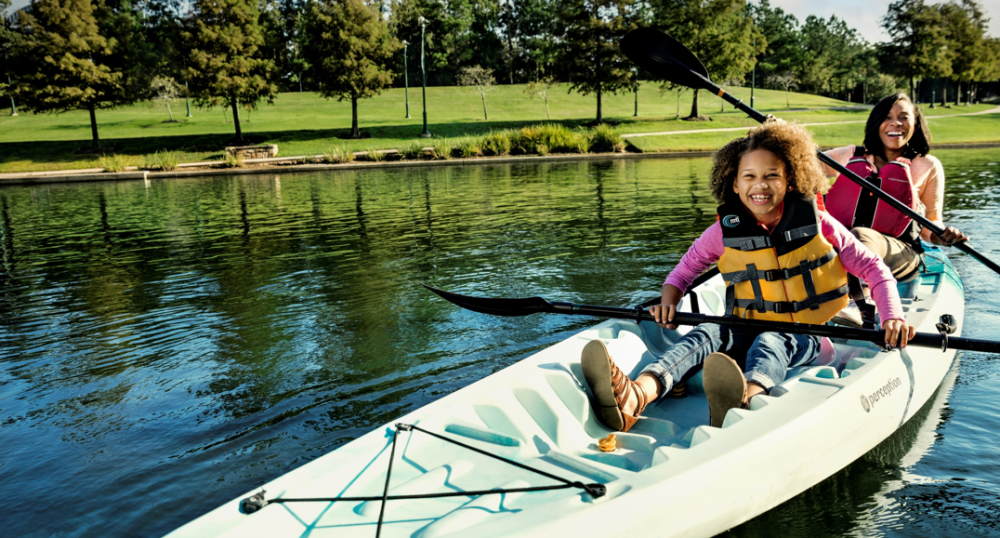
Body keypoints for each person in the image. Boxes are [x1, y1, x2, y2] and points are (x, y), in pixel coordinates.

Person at [581, 120, 914, 433]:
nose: (760, 185)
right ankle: (638, 395)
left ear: (791, 179)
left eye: (772, 175)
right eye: (749, 176)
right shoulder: (722, 232)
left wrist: (892, 318)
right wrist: (669, 301)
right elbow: (684, 271)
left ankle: (746, 401)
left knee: (772, 341)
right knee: (707, 333)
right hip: (745, 324)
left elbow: (874, 269)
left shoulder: (820, 225)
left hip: (807, 334)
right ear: (734, 183)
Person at [822, 93, 968, 281]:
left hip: (900, 252)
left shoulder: (928, 165)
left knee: (860, 237)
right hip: (842, 243)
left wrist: (942, 235)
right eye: (887, 117)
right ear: (876, 123)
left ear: (915, 123)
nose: (895, 123)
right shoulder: (849, 155)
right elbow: (798, 166)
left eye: (903, 118)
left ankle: (861, 299)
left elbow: (931, 221)